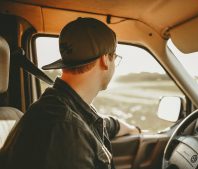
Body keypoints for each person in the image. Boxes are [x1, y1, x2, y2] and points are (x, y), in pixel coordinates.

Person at [0, 17, 140, 169]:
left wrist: (132, 130)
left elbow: (99, 123)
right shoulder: (65, 130)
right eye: (115, 57)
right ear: (105, 59)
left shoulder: (63, 105)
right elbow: (74, 127)